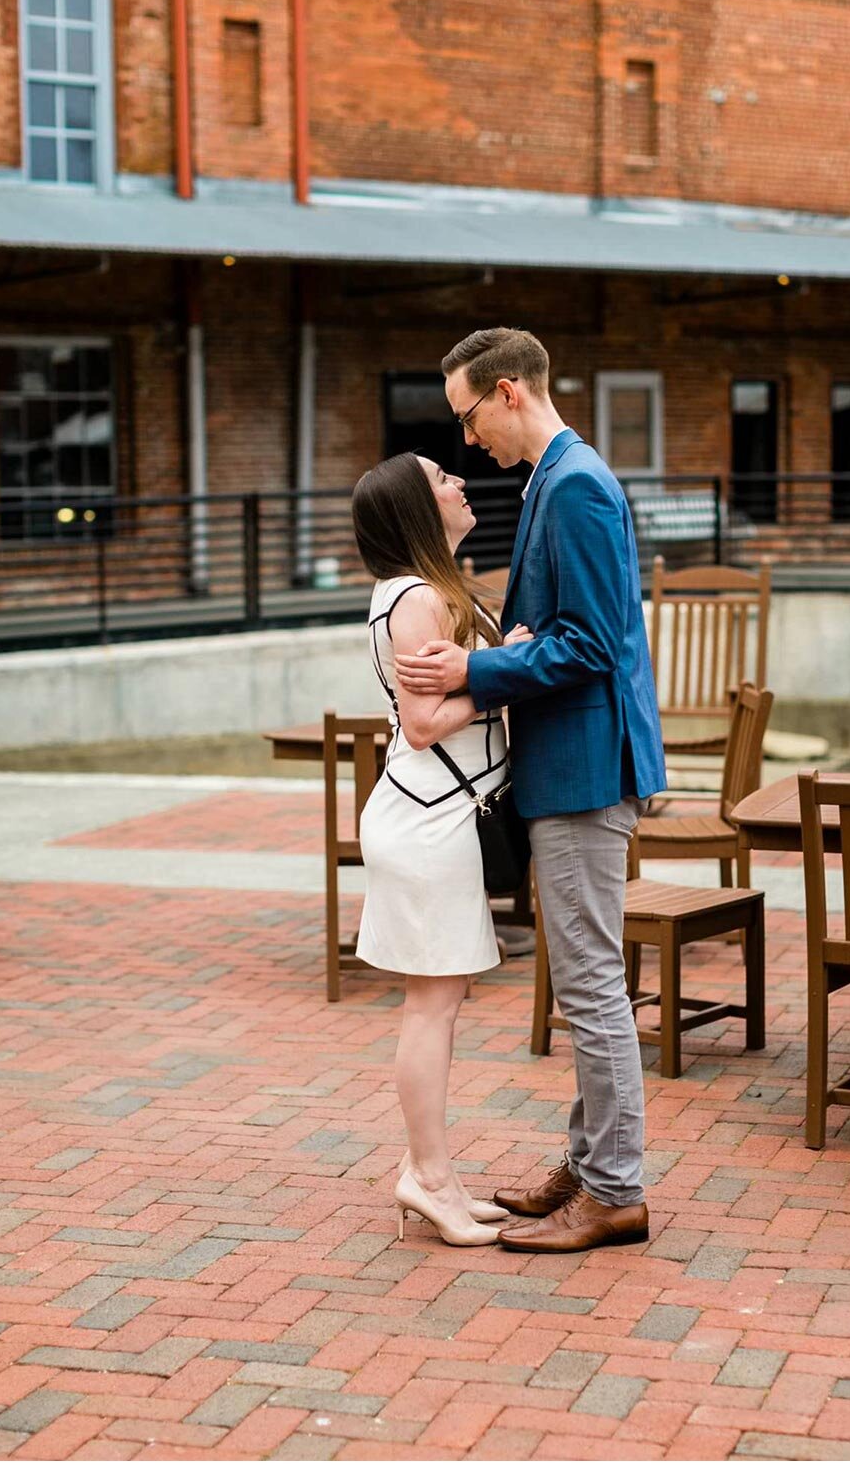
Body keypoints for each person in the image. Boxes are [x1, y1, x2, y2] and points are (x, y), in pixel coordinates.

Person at [395, 327, 666, 1254]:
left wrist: (477, 665)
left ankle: (616, 1189)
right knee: (584, 978)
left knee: (590, 986)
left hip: (587, 769)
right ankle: (590, 1168)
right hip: (569, 764)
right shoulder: (555, 480)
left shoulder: (578, 484)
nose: (468, 440)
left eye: (469, 415)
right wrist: (509, 642)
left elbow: (592, 648)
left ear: (508, 391)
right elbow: (558, 627)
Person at [350, 452, 528, 1247]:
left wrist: (493, 663)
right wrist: (504, 672)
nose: (459, 481)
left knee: (440, 1002)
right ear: (417, 511)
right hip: (428, 822)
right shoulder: (417, 596)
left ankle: (438, 1175)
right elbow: (422, 724)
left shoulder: (425, 589)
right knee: (432, 1005)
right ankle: (426, 1178)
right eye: (441, 479)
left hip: (434, 817)